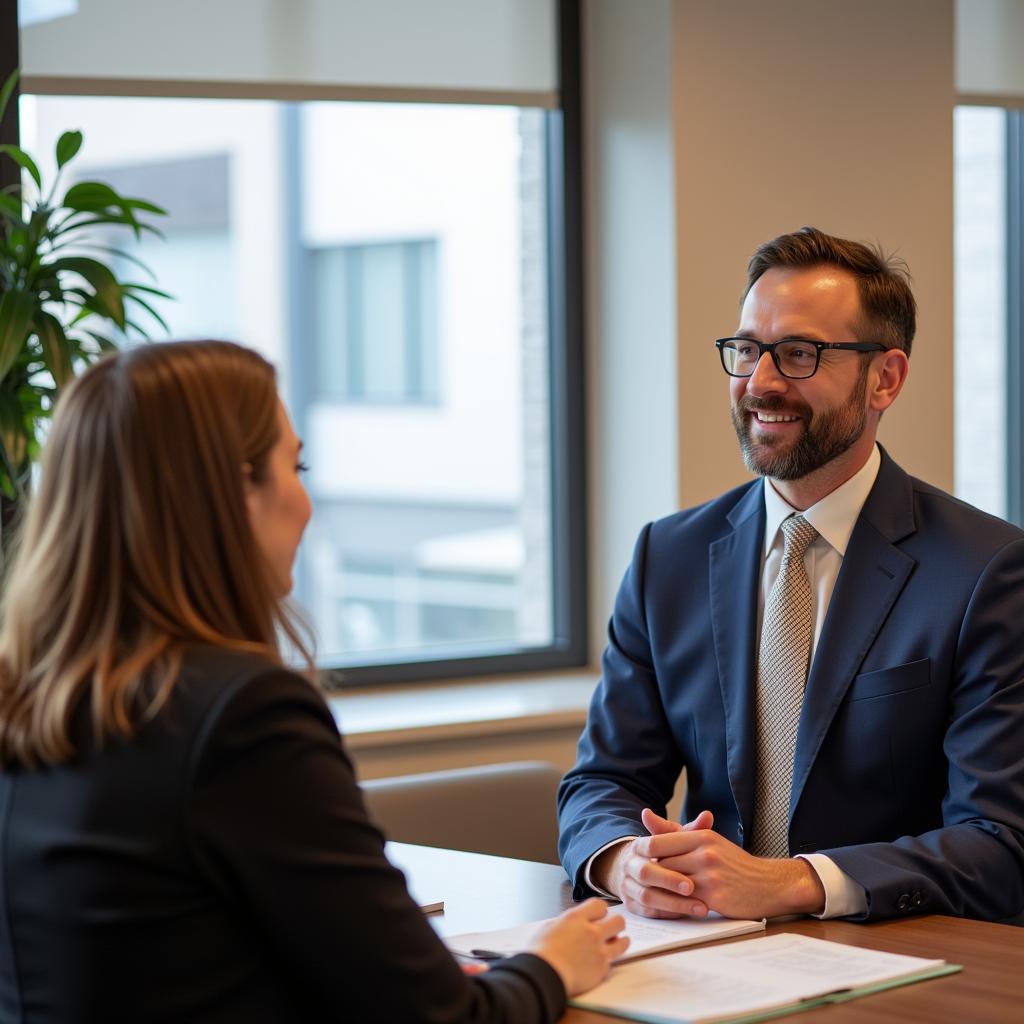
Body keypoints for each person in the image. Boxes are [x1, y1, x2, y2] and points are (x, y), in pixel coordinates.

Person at [0, 340, 628, 1023]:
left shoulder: (30, 698)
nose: (305, 502)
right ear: (235, 493)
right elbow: (438, 1017)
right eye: (292, 465)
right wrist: (550, 965)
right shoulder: (243, 716)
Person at [558, 226, 1024, 925]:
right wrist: (623, 860)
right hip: (703, 954)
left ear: (885, 379)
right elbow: (604, 779)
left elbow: (1000, 843)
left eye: (799, 354)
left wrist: (799, 883)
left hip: (900, 961)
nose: (760, 382)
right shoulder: (669, 556)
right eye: (746, 350)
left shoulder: (986, 570)